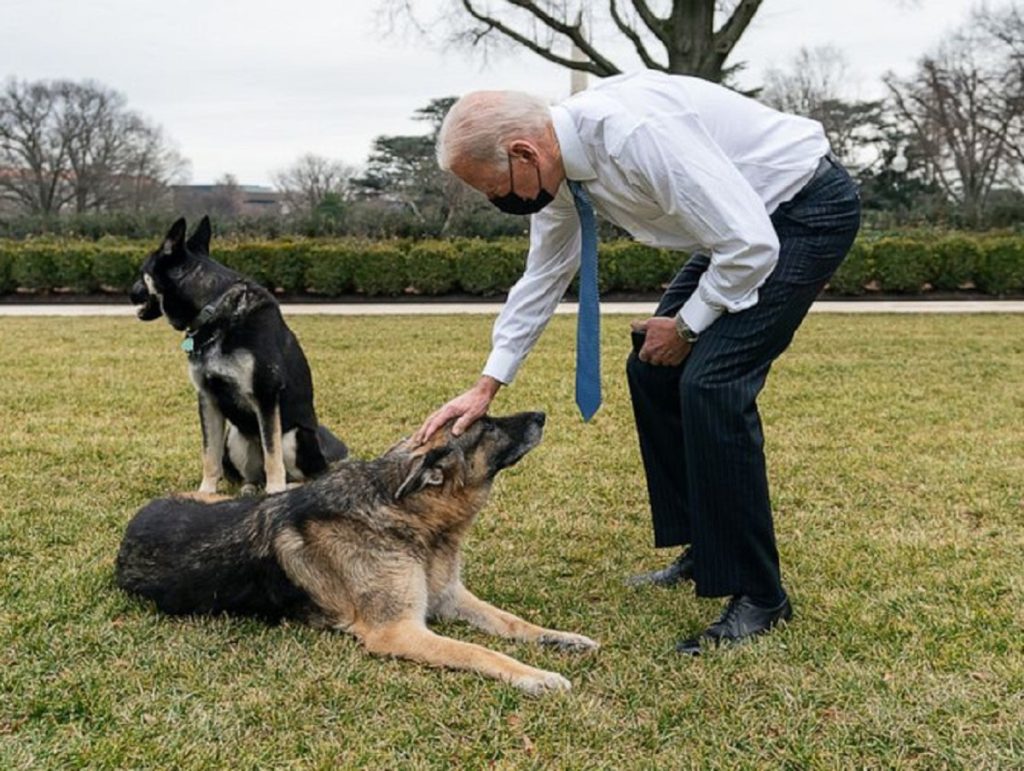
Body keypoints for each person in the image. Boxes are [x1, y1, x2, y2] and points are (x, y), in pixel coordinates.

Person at [414, 70, 861, 654]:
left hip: (800, 213)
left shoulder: (635, 135)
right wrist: (486, 386)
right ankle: (707, 546)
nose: (498, 202)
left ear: (524, 152)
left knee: (711, 384)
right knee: (654, 370)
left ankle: (760, 595)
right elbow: (544, 275)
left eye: (494, 189)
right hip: (739, 228)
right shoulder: (558, 174)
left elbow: (752, 245)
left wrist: (688, 325)